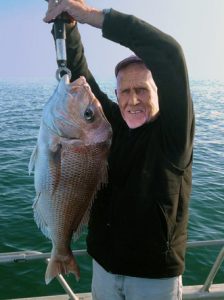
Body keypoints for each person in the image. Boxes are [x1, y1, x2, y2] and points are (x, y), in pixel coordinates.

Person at [44, 1, 195, 299]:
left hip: (154, 278)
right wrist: (70, 28)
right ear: (116, 95)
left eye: (142, 90)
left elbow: (169, 54)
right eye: (126, 91)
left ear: (159, 94)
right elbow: (79, 76)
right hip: (104, 268)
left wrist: (94, 17)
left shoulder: (174, 133)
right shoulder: (108, 125)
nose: (133, 100)